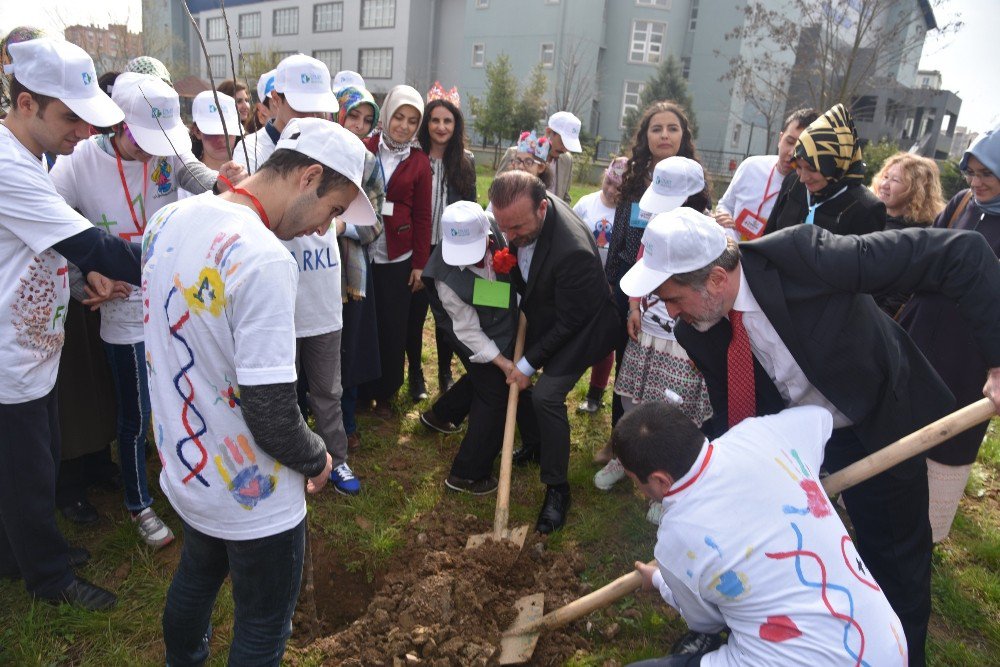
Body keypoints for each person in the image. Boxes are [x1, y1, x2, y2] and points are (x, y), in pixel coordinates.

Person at [618, 208, 1000, 666]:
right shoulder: (699, 328)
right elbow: (735, 414)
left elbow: (961, 253)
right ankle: (759, 631)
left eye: (674, 298)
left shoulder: (805, 257)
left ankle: (899, 652)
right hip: (797, 436)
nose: (671, 313)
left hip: (879, 419)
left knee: (896, 563)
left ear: (716, 279)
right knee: (777, 558)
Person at [145, 117, 375, 664]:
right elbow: (271, 416)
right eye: (333, 210)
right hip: (252, 497)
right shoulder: (266, 259)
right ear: (309, 176)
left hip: (190, 468)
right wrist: (319, 458)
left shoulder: (171, 218)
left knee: (196, 578)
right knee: (263, 623)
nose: (325, 229)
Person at [50, 72, 245, 549]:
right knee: (135, 413)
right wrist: (83, 278)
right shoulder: (76, 165)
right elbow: (51, 231)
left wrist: (225, 184)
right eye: (144, 138)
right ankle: (138, 504)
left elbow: (190, 173)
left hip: (168, 297)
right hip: (120, 307)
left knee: (180, 397)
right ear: (118, 124)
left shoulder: (165, 153)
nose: (153, 150)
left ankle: (185, 486)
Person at [0, 37, 144, 610]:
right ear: (27, 102)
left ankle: (18, 555)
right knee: (28, 474)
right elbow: (93, 243)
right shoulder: (10, 168)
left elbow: (40, 249)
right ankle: (50, 580)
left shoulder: (34, 158)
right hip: (9, 354)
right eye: (71, 117)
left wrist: (83, 282)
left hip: (34, 344)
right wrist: (181, 254)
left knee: (36, 460)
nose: (84, 132)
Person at [616, 403, 907, 666]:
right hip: (886, 648)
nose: (640, 491)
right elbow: (819, 418)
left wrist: (659, 580)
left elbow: (707, 623)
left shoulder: (675, 540)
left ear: (659, 480)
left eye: (635, 481)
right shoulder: (759, 433)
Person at [236, 55, 365, 496]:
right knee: (280, 391)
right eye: (300, 107)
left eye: (320, 108)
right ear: (274, 101)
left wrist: (340, 221)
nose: (312, 118)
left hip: (322, 296)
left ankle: (336, 458)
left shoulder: (338, 150)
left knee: (328, 388)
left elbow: (364, 218)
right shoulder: (253, 153)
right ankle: (293, 465)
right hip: (280, 302)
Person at [491, 171, 619, 533]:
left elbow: (570, 323)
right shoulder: (522, 214)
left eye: (516, 228)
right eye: (505, 228)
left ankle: (558, 488)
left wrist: (529, 364)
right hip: (549, 311)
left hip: (585, 327)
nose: (510, 237)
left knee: (546, 395)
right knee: (526, 387)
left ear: (543, 208)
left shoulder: (572, 251)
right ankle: (535, 445)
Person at [898, 126, 1000, 543]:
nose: (975, 182)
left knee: (947, 433)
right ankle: (882, 510)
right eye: (971, 172)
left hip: (971, 351)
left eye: (986, 174)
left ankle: (925, 532)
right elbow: (929, 250)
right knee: (900, 411)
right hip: (923, 329)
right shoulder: (961, 204)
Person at [595, 158, 712, 516]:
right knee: (636, 400)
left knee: (676, 411)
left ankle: (671, 484)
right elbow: (641, 266)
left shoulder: (710, 232)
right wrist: (634, 307)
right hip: (648, 329)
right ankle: (628, 458)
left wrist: (702, 342)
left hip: (685, 337)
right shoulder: (657, 226)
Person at [600, 101, 710, 456]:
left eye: (672, 128)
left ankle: (661, 443)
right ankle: (620, 442)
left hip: (672, 296)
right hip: (630, 287)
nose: (664, 134)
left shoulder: (694, 186)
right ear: (645, 136)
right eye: (656, 128)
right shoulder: (632, 180)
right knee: (627, 364)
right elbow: (619, 237)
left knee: (669, 371)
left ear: (684, 136)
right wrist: (614, 286)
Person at [420, 201, 540, 493]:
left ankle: (441, 415)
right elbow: (469, 331)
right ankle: (468, 474)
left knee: (486, 381)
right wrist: (504, 363)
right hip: (467, 333)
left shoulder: (501, 227)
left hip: (504, 320)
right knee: (495, 394)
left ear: (489, 236)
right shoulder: (445, 279)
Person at [360, 85, 432, 412]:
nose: (403, 125)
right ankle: (360, 389)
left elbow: (423, 215)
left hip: (398, 253)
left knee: (393, 323)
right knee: (363, 322)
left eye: (412, 121)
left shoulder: (419, 162)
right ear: (387, 114)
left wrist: (420, 263)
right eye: (399, 117)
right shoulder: (365, 147)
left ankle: (388, 390)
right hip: (362, 247)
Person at [413, 87, 477, 394]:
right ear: (426, 124)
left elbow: (471, 206)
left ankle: (444, 373)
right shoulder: (414, 157)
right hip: (418, 246)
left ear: (456, 125)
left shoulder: (465, 161)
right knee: (414, 314)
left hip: (449, 250)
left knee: (447, 315)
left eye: (447, 121)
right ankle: (414, 372)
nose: (441, 127)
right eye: (435, 120)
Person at [336, 85, 385, 453]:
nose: (359, 125)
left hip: (352, 269)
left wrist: (343, 227)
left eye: (367, 120)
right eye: (353, 115)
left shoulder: (369, 163)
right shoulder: (310, 151)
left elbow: (376, 220)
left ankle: (347, 420)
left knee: (347, 347)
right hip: (309, 265)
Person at [766, 103, 885, 236]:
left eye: (812, 169)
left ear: (837, 164)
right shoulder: (793, 181)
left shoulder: (866, 209)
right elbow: (768, 237)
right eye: (798, 166)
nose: (803, 177)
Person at [714, 108, 817, 241]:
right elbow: (726, 205)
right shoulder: (750, 166)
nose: (792, 153)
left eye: (800, 147)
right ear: (780, 139)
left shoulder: (807, 190)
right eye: (789, 142)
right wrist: (723, 216)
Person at [573, 157, 626, 414]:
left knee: (605, 339)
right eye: (609, 182)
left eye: (619, 188)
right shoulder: (586, 203)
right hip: (584, 281)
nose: (612, 190)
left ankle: (595, 394)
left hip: (612, 285)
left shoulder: (626, 211)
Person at [869, 152, 945, 316]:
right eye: (885, 176)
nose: (884, 184)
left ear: (917, 190)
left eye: (895, 180)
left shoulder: (922, 236)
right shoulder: (869, 216)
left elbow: (900, 295)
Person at [496, 111, 582, 203]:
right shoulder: (515, 154)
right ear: (549, 132)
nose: (565, 149)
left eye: (569, 145)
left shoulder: (566, 160)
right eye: (563, 142)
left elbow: (565, 197)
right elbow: (497, 190)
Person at [188, 90, 240, 172]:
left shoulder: (252, 169)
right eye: (213, 132)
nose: (222, 139)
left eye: (227, 132)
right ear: (197, 132)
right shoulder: (187, 178)